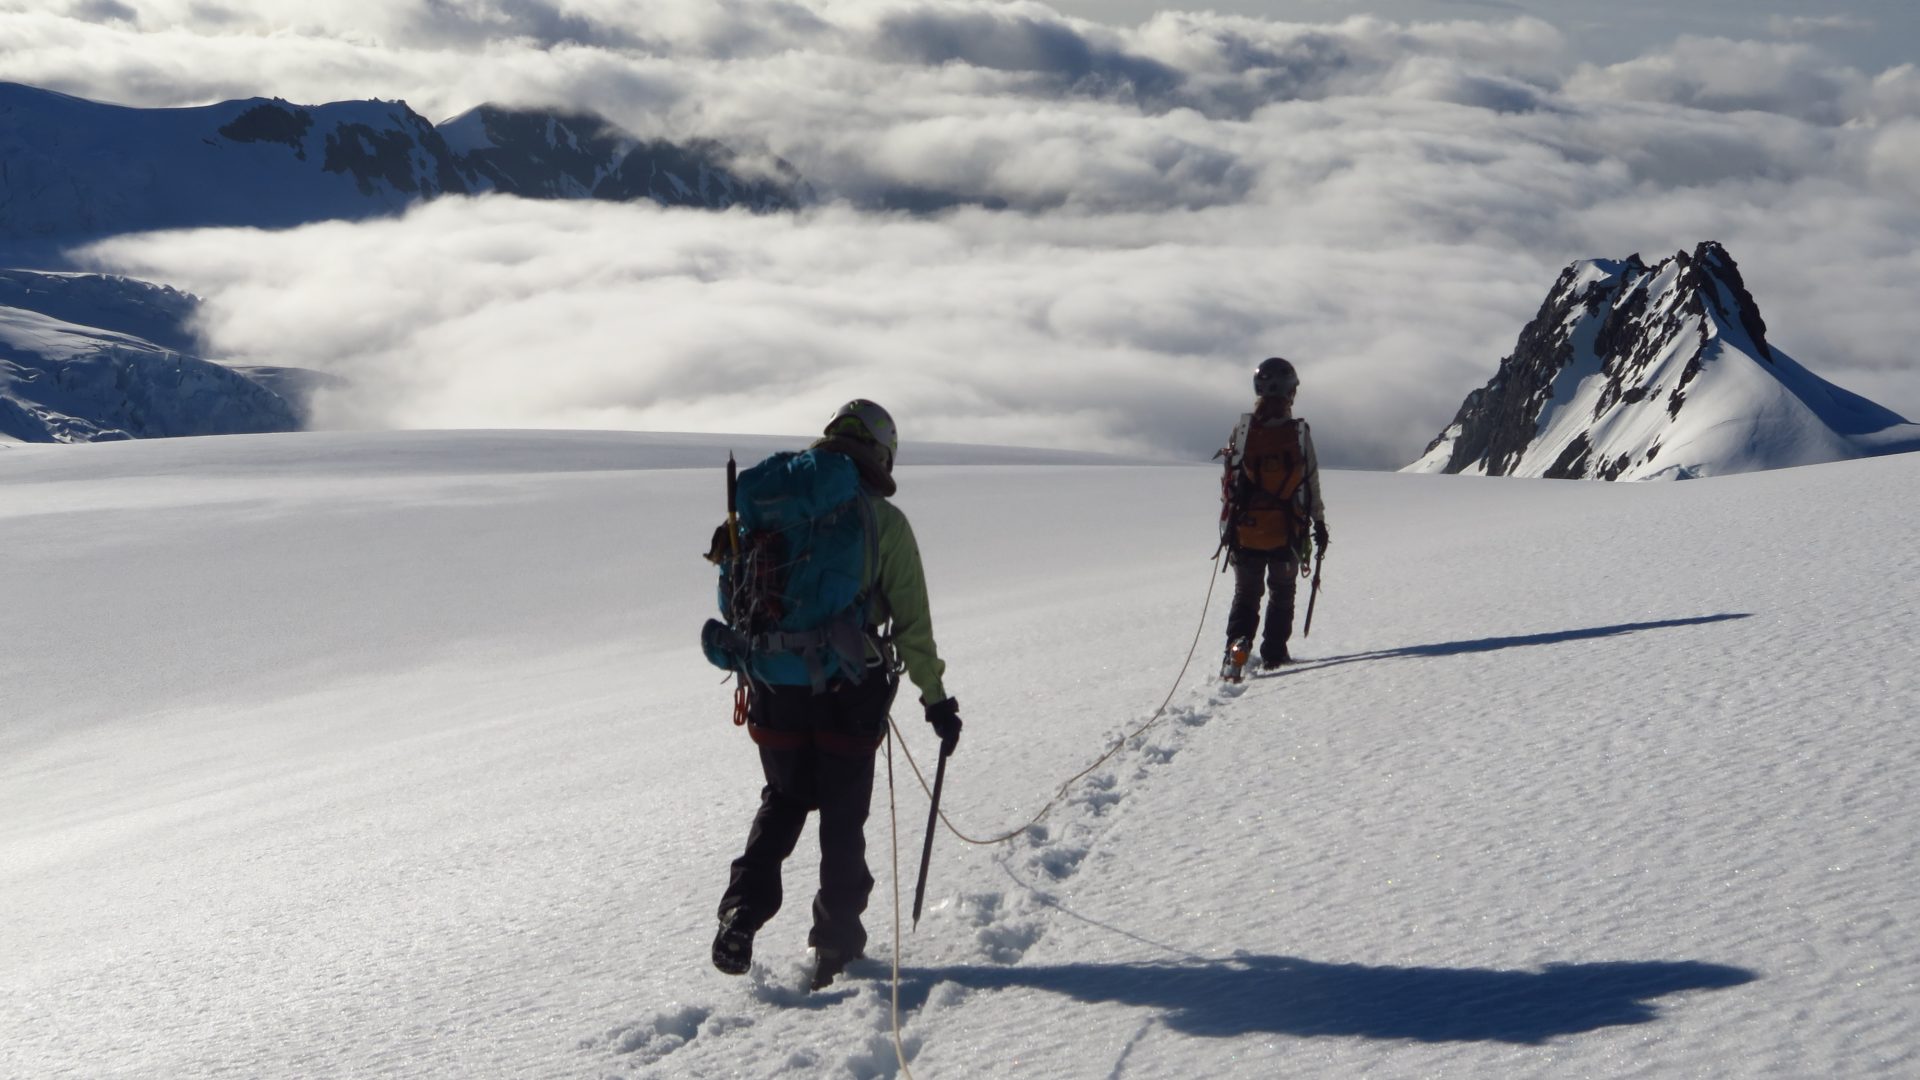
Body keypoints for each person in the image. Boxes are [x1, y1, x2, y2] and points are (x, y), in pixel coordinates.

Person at [711, 399, 961, 990]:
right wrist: (935, 700)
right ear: (881, 454)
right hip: (848, 692)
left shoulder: (770, 511)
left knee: (784, 799)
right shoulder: (882, 522)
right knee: (843, 824)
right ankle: (836, 950)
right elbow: (912, 624)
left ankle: (740, 913)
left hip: (772, 686)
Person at [1221, 357, 1329, 674]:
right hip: (1287, 530)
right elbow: (1311, 482)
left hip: (1246, 530)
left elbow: (1231, 482)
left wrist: (1228, 527)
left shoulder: (1241, 431)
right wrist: (1319, 522)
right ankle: (1274, 655)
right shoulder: (1297, 433)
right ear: (1291, 392)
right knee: (1282, 593)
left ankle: (1236, 648)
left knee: (1246, 595)